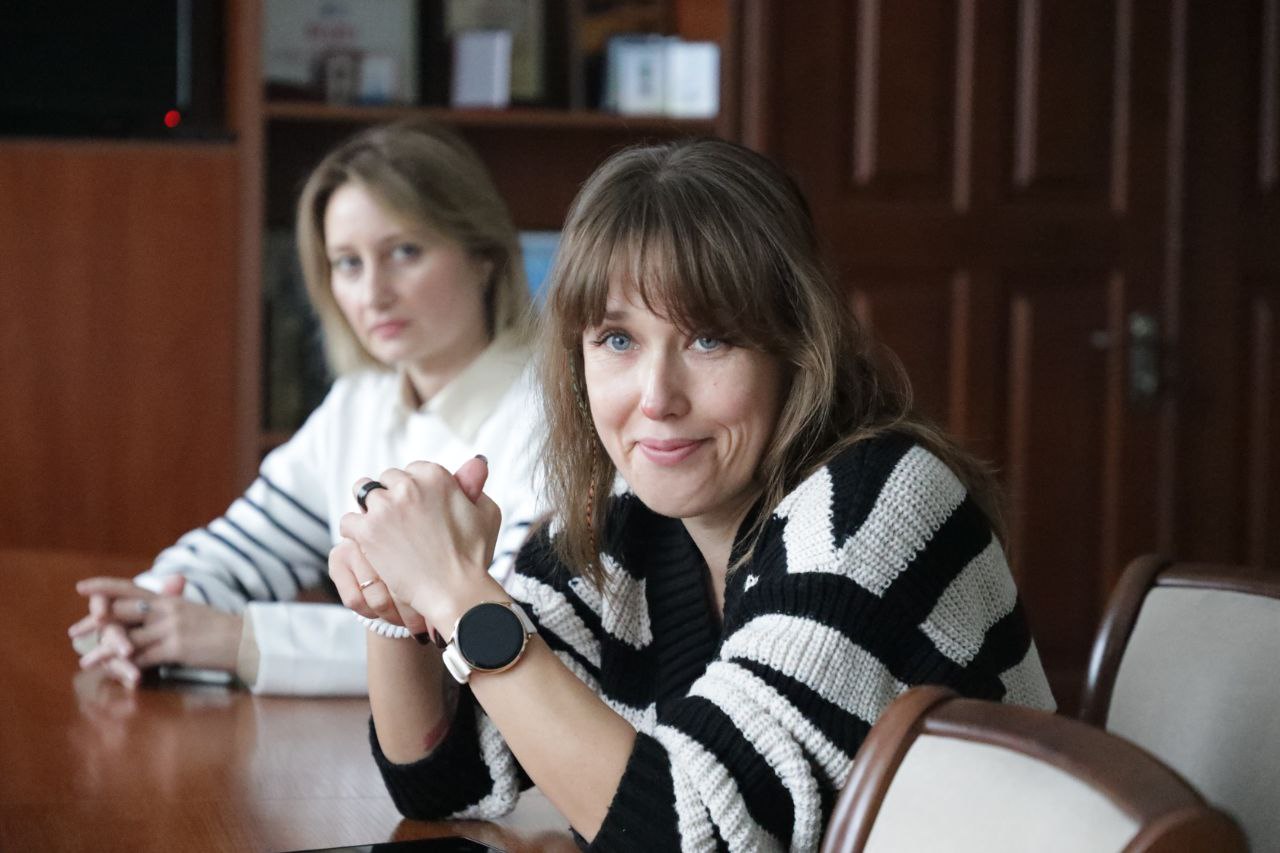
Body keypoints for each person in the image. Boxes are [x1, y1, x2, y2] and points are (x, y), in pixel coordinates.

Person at [330, 138, 1056, 849]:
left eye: (710, 339)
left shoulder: (873, 503)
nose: (657, 398)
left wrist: (457, 591)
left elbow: (691, 834)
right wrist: (398, 598)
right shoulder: (623, 525)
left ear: (795, 348)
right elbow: (443, 777)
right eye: (618, 340)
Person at [67, 119, 543, 696]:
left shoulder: (553, 413)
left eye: (405, 252)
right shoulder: (360, 401)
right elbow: (242, 546)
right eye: (348, 263)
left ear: (483, 256)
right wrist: (143, 615)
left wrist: (242, 641)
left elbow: (507, 635)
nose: (373, 294)